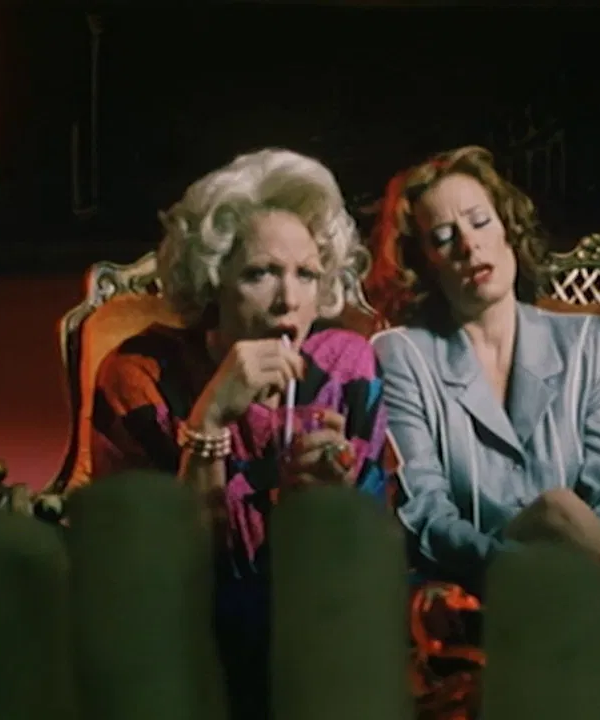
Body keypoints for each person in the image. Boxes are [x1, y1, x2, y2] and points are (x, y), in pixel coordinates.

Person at [90, 148, 388, 718]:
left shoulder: (346, 368)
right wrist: (209, 419)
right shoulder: (140, 376)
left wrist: (329, 501)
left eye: (306, 275)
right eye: (260, 274)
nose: (288, 299)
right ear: (213, 280)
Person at [368, 145, 600, 603]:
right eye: (442, 238)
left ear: (508, 227)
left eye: (480, 221)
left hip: (590, 576)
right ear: (424, 263)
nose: (469, 245)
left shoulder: (591, 342)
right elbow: (427, 512)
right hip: (479, 583)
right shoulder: (402, 355)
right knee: (557, 509)